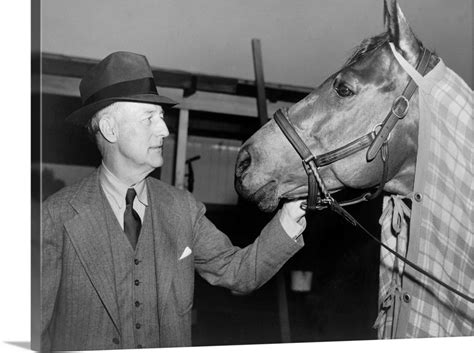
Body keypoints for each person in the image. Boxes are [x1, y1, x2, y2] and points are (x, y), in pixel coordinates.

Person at [41, 51, 307, 351]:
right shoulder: (56, 216)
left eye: (162, 117)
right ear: (110, 129)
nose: (164, 130)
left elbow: (238, 272)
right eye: (149, 118)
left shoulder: (182, 209)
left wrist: (288, 219)